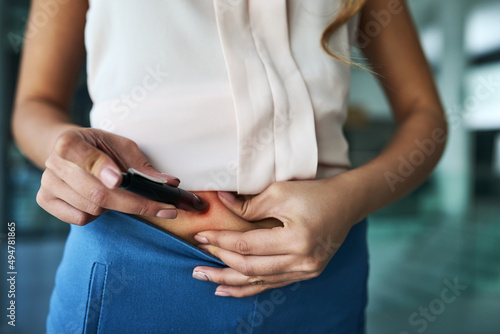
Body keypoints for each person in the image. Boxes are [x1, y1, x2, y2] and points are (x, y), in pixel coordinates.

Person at [11, 0, 447, 332]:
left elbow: (425, 115)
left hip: (326, 272)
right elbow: (35, 105)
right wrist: (66, 151)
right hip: (135, 272)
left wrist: (351, 199)